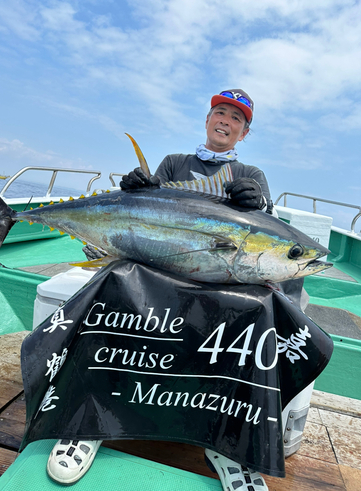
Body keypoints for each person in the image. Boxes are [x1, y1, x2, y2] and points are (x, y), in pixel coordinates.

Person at [47, 89, 272, 490]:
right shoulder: (174, 163)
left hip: (217, 283)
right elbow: (141, 217)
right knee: (110, 286)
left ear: (245, 132)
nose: (225, 121)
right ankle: (87, 419)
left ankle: (227, 446)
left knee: (258, 315)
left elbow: (265, 233)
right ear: (206, 119)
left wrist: (259, 205)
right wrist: (135, 188)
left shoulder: (251, 175)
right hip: (157, 272)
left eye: (236, 118)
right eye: (219, 112)